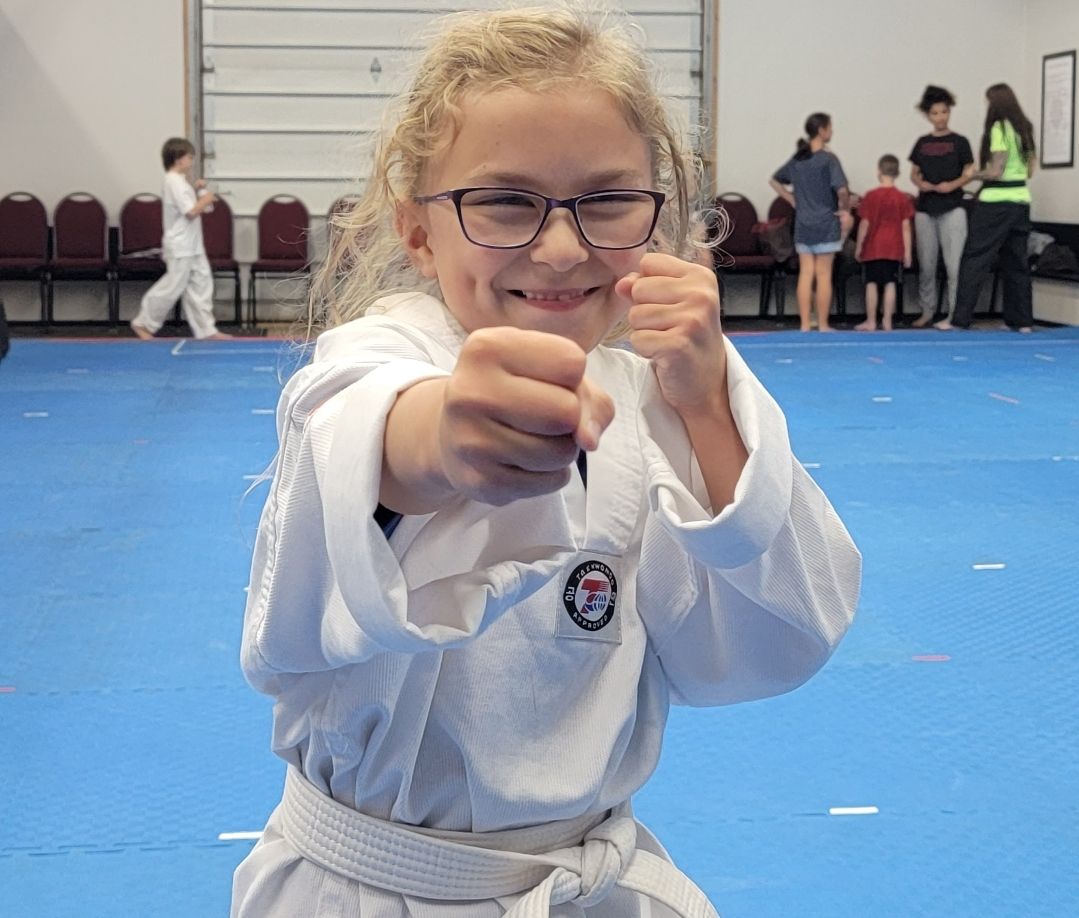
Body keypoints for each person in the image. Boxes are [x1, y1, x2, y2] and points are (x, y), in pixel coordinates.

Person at [232, 7, 861, 917]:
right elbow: (364, 431)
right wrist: (447, 440)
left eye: (607, 201)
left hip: (593, 882)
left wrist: (708, 400)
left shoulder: (659, 385)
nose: (562, 247)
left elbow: (769, 643)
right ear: (417, 232)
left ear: (662, 215)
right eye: (503, 201)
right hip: (367, 889)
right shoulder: (381, 359)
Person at [947, 84, 1036, 332]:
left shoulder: (999, 128)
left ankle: (961, 319)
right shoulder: (1024, 129)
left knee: (975, 258)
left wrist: (972, 175)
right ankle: (1022, 322)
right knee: (1016, 261)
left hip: (996, 201)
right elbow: (1030, 169)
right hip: (1021, 200)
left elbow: (996, 171)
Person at [130, 137, 230, 340]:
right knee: (172, 286)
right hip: (180, 244)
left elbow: (204, 208)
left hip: (193, 244)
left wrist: (201, 190)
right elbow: (191, 212)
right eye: (189, 157)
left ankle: (206, 330)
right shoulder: (172, 181)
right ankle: (143, 322)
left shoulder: (182, 183)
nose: (191, 161)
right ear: (178, 159)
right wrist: (207, 197)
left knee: (201, 284)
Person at [769, 113, 853, 332]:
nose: (832, 132)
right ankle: (823, 324)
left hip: (804, 224)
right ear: (822, 130)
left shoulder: (799, 159)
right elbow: (842, 190)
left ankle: (805, 324)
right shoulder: (828, 159)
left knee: (806, 273)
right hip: (826, 222)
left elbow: (774, 180)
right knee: (824, 274)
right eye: (830, 128)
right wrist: (844, 209)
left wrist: (792, 200)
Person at [908, 85, 975, 328]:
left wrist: (953, 185)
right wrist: (921, 184)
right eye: (935, 113)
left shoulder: (960, 142)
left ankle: (954, 313)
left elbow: (969, 172)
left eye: (944, 112)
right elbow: (913, 173)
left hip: (953, 206)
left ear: (949, 113)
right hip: (926, 208)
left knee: (954, 265)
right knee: (926, 265)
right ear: (929, 116)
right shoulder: (922, 142)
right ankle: (927, 311)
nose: (940, 117)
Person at [853, 155, 914, 332]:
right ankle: (887, 320)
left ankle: (871, 321)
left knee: (871, 283)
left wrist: (859, 246)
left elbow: (864, 224)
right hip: (894, 247)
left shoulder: (871, 196)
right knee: (890, 283)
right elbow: (906, 227)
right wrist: (908, 252)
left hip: (873, 247)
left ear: (879, 172)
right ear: (897, 173)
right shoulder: (902, 198)